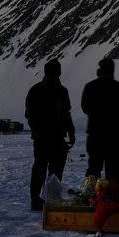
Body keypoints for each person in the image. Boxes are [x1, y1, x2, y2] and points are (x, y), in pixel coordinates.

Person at [25, 59, 76, 211]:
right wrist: (71, 133)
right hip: (55, 138)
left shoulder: (35, 90)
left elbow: (29, 114)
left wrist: (36, 131)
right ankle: (51, 199)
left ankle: (37, 199)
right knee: (55, 170)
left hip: (43, 137)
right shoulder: (61, 91)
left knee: (40, 168)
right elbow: (66, 114)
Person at [81, 58, 119, 185]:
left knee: (94, 167)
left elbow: (85, 108)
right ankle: (113, 198)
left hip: (95, 135)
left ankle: (89, 196)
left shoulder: (90, 87)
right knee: (113, 169)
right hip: (114, 136)